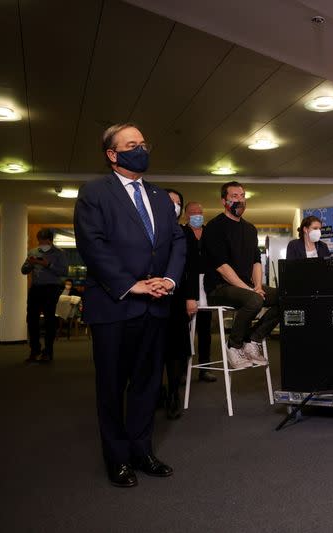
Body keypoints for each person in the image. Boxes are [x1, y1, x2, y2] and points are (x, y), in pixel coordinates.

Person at [73, 123, 185, 488]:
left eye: (143, 143)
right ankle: (117, 458)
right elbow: (93, 245)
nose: (141, 149)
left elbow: (177, 241)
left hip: (156, 306)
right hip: (114, 306)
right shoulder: (94, 193)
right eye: (132, 144)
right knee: (111, 386)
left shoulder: (157, 196)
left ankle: (142, 451)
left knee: (148, 385)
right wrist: (130, 284)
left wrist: (168, 279)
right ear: (112, 154)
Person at [202, 181, 279, 369]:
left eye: (242, 196)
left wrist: (258, 286)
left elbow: (256, 261)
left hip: (245, 287)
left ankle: (253, 339)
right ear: (224, 200)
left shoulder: (250, 229)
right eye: (234, 196)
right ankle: (234, 345)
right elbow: (222, 268)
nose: (240, 200)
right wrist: (250, 290)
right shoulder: (214, 227)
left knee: (286, 297)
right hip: (219, 287)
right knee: (254, 300)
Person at [161, 188, 190, 420]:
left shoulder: (184, 233)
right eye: (169, 201)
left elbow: (189, 269)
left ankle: (173, 394)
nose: (174, 206)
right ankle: (154, 392)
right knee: (151, 349)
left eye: (178, 202)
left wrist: (191, 297)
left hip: (177, 298)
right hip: (150, 296)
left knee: (176, 349)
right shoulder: (148, 229)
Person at [21, 228, 69, 363]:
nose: (41, 244)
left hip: (51, 289)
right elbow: (23, 270)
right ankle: (34, 350)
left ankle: (48, 351)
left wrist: (48, 264)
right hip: (35, 289)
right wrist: (30, 264)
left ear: (50, 240)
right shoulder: (33, 252)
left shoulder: (60, 253)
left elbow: (64, 272)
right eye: (39, 241)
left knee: (49, 321)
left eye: (44, 241)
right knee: (31, 320)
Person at [182, 201, 216, 383]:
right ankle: (181, 370)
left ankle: (205, 368)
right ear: (186, 215)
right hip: (188, 283)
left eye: (200, 212)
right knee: (184, 328)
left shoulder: (210, 233)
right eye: (193, 212)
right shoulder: (181, 232)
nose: (197, 215)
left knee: (205, 329)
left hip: (207, 283)